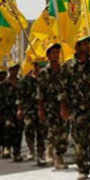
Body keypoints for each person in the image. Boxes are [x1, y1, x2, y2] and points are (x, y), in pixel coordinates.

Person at [61, 34, 90, 180]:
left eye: (88, 43)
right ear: (77, 46)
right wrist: (64, 108)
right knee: (79, 139)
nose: (88, 46)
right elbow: (62, 90)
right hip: (76, 109)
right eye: (84, 43)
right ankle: (82, 168)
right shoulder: (68, 66)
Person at [39, 42, 69, 170]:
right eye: (53, 53)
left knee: (64, 132)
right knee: (52, 132)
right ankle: (51, 152)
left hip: (64, 106)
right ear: (48, 56)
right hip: (50, 106)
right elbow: (40, 93)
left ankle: (59, 157)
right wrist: (41, 109)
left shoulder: (64, 71)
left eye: (57, 53)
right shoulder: (44, 73)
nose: (56, 55)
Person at [21, 60, 47, 166]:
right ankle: (31, 149)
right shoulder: (26, 80)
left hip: (42, 109)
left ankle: (41, 154)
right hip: (29, 109)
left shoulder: (44, 78)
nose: (41, 68)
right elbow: (21, 95)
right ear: (34, 66)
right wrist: (20, 109)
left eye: (43, 66)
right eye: (39, 65)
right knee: (28, 128)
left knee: (41, 132)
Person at [0, 63, 24, 162]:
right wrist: (0, 113)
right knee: (9, 129)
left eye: (17, 69)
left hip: (19, 110)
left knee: (19, 131)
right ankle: (7, 147)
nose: (15, 71)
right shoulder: (3, 84)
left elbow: (23, 96)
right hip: (7, 111)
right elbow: (0, 100)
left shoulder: (21, 82)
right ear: (9, 70)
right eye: (13, 69)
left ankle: (17, 152)